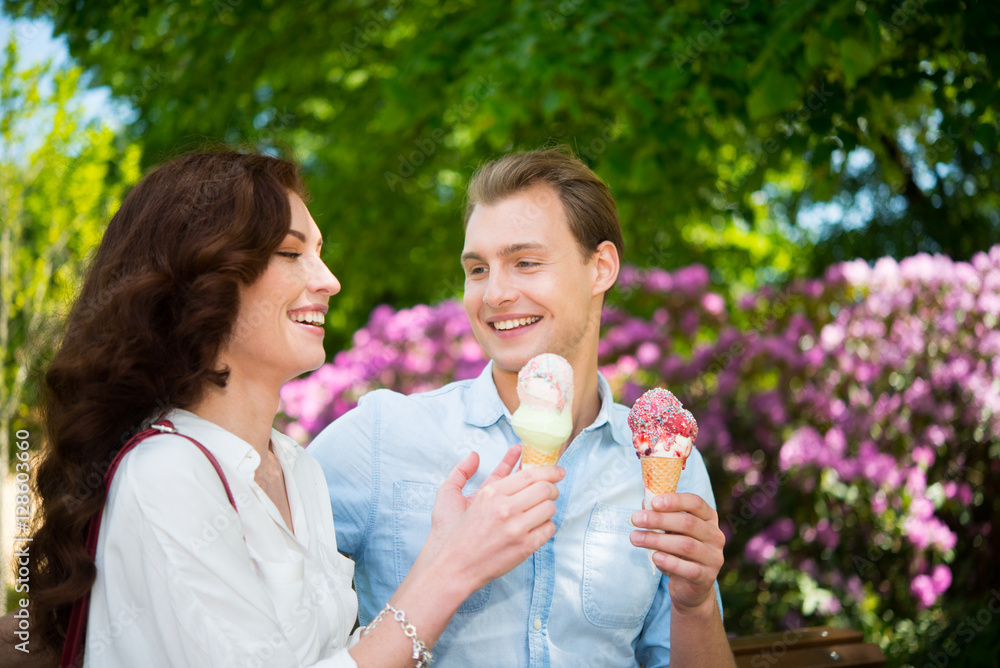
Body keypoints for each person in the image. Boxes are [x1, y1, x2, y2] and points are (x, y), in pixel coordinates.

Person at [0, 150, 564, 667]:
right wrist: (452, 569)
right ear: (203, 277)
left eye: (319, 254)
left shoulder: (297, 468)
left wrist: (443, 550)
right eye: (292, 254)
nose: (329, 281)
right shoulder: (166, 474)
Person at [309, 147, 735, 666]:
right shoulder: (381, 435)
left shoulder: (665, 460)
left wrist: (695, 607)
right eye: (477, 269)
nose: (494, 294)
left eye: (525, 263)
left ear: (601, 268)